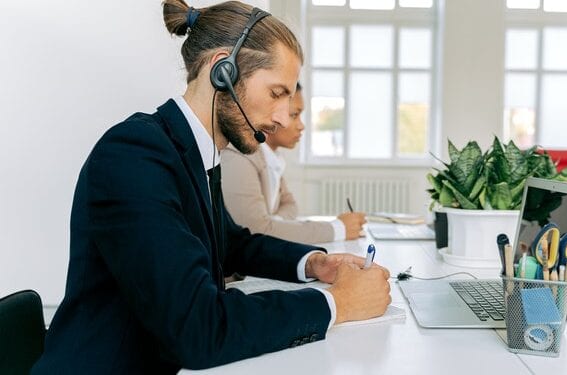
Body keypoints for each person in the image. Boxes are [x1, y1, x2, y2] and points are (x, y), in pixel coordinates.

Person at [31, 1, 390, 373]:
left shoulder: (193, 151)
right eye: (276, 93)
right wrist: (337, 303)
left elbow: (232, 243)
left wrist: (315, 264)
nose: (284, 116)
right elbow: (198, 328)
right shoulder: (135, 155)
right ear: (223, 70)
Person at [221, 84, 366, 244]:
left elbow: (290, 205)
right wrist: (338, 229)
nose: (301, 125)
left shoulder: (271, 157)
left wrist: (273, 223)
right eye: (294, 115)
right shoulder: (238, 157)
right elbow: (256, 231)